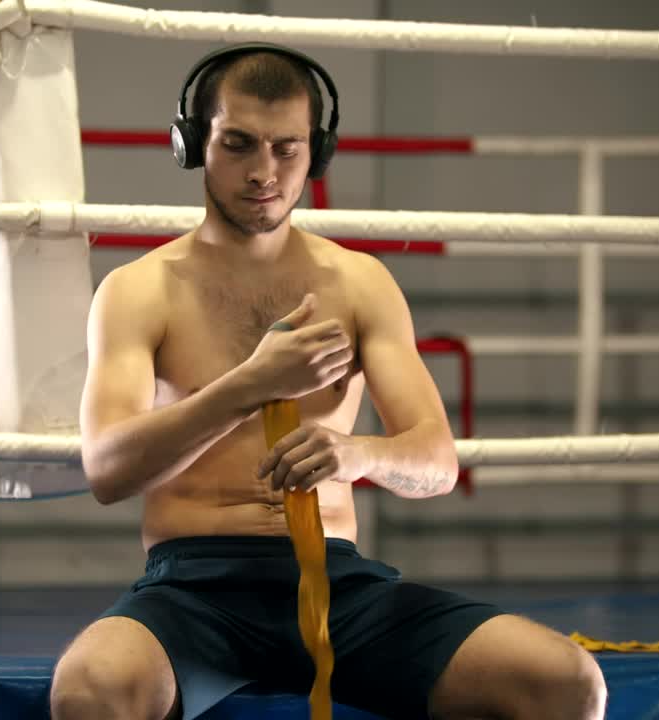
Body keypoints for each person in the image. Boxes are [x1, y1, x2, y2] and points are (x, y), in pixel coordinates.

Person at [50, 43, 607, 720]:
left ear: (317, 151)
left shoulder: (358, 282)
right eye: (239, 144)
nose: (264, 172)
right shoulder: (138, 290)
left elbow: (436, 462)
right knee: (89, 690)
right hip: (193, 591)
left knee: (567, 682)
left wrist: (357, 454)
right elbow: (107, 470)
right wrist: (250, 386)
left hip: (338, 585)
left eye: (287, 149)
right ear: (193, 144)